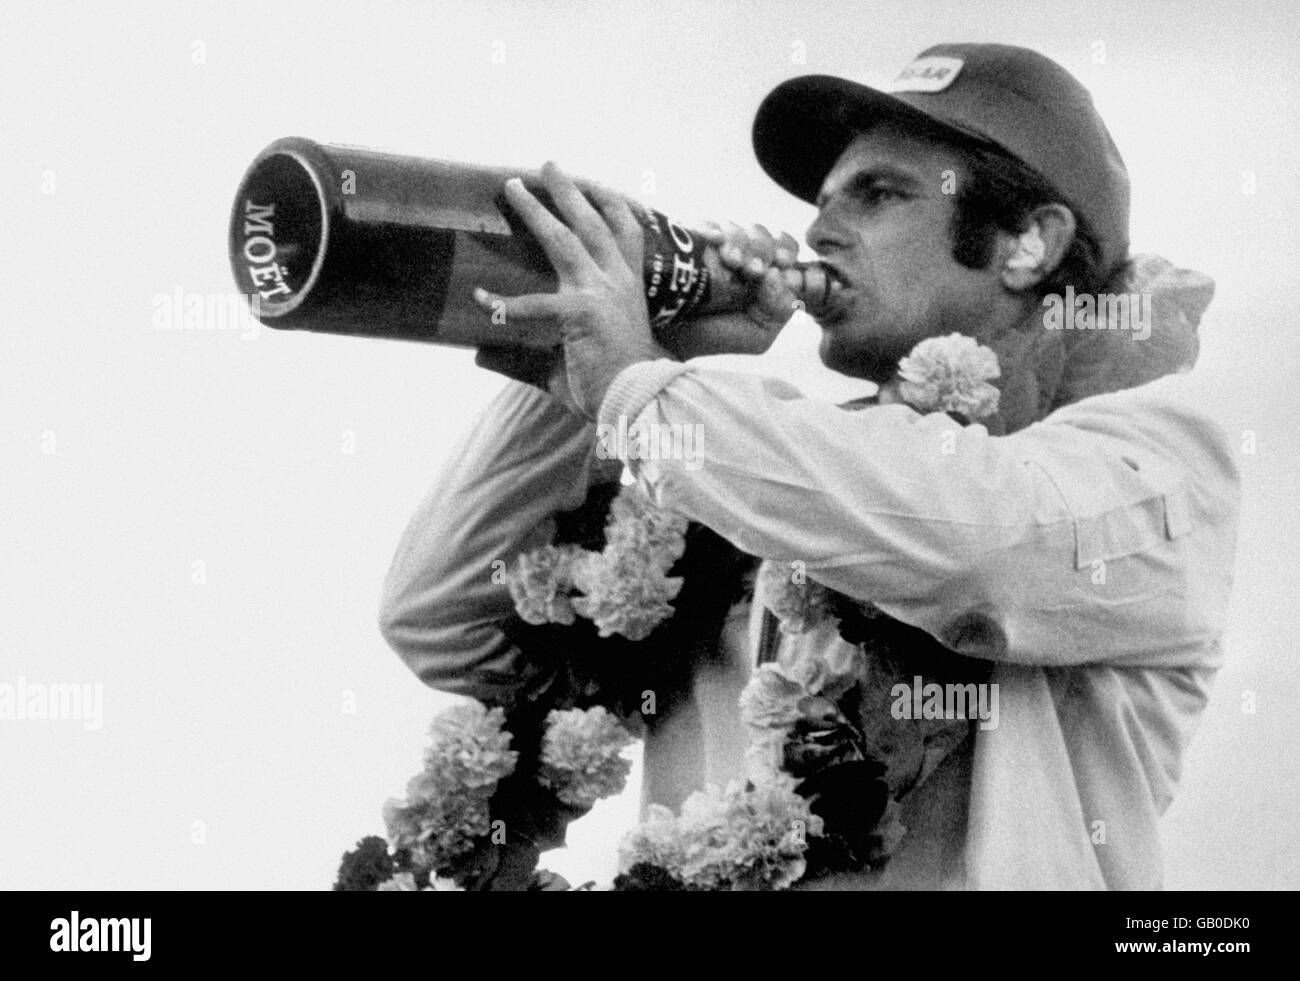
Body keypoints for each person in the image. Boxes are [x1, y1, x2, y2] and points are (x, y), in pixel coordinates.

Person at [379, 43, 1239, 889]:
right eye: (824, 200)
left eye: (879, 194)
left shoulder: (1157, 459)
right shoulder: (761, 488)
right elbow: (442, 613)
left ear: (1026, 242)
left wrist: (645, 391)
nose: (819, 230)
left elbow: (973, 545)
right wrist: (605, 358)